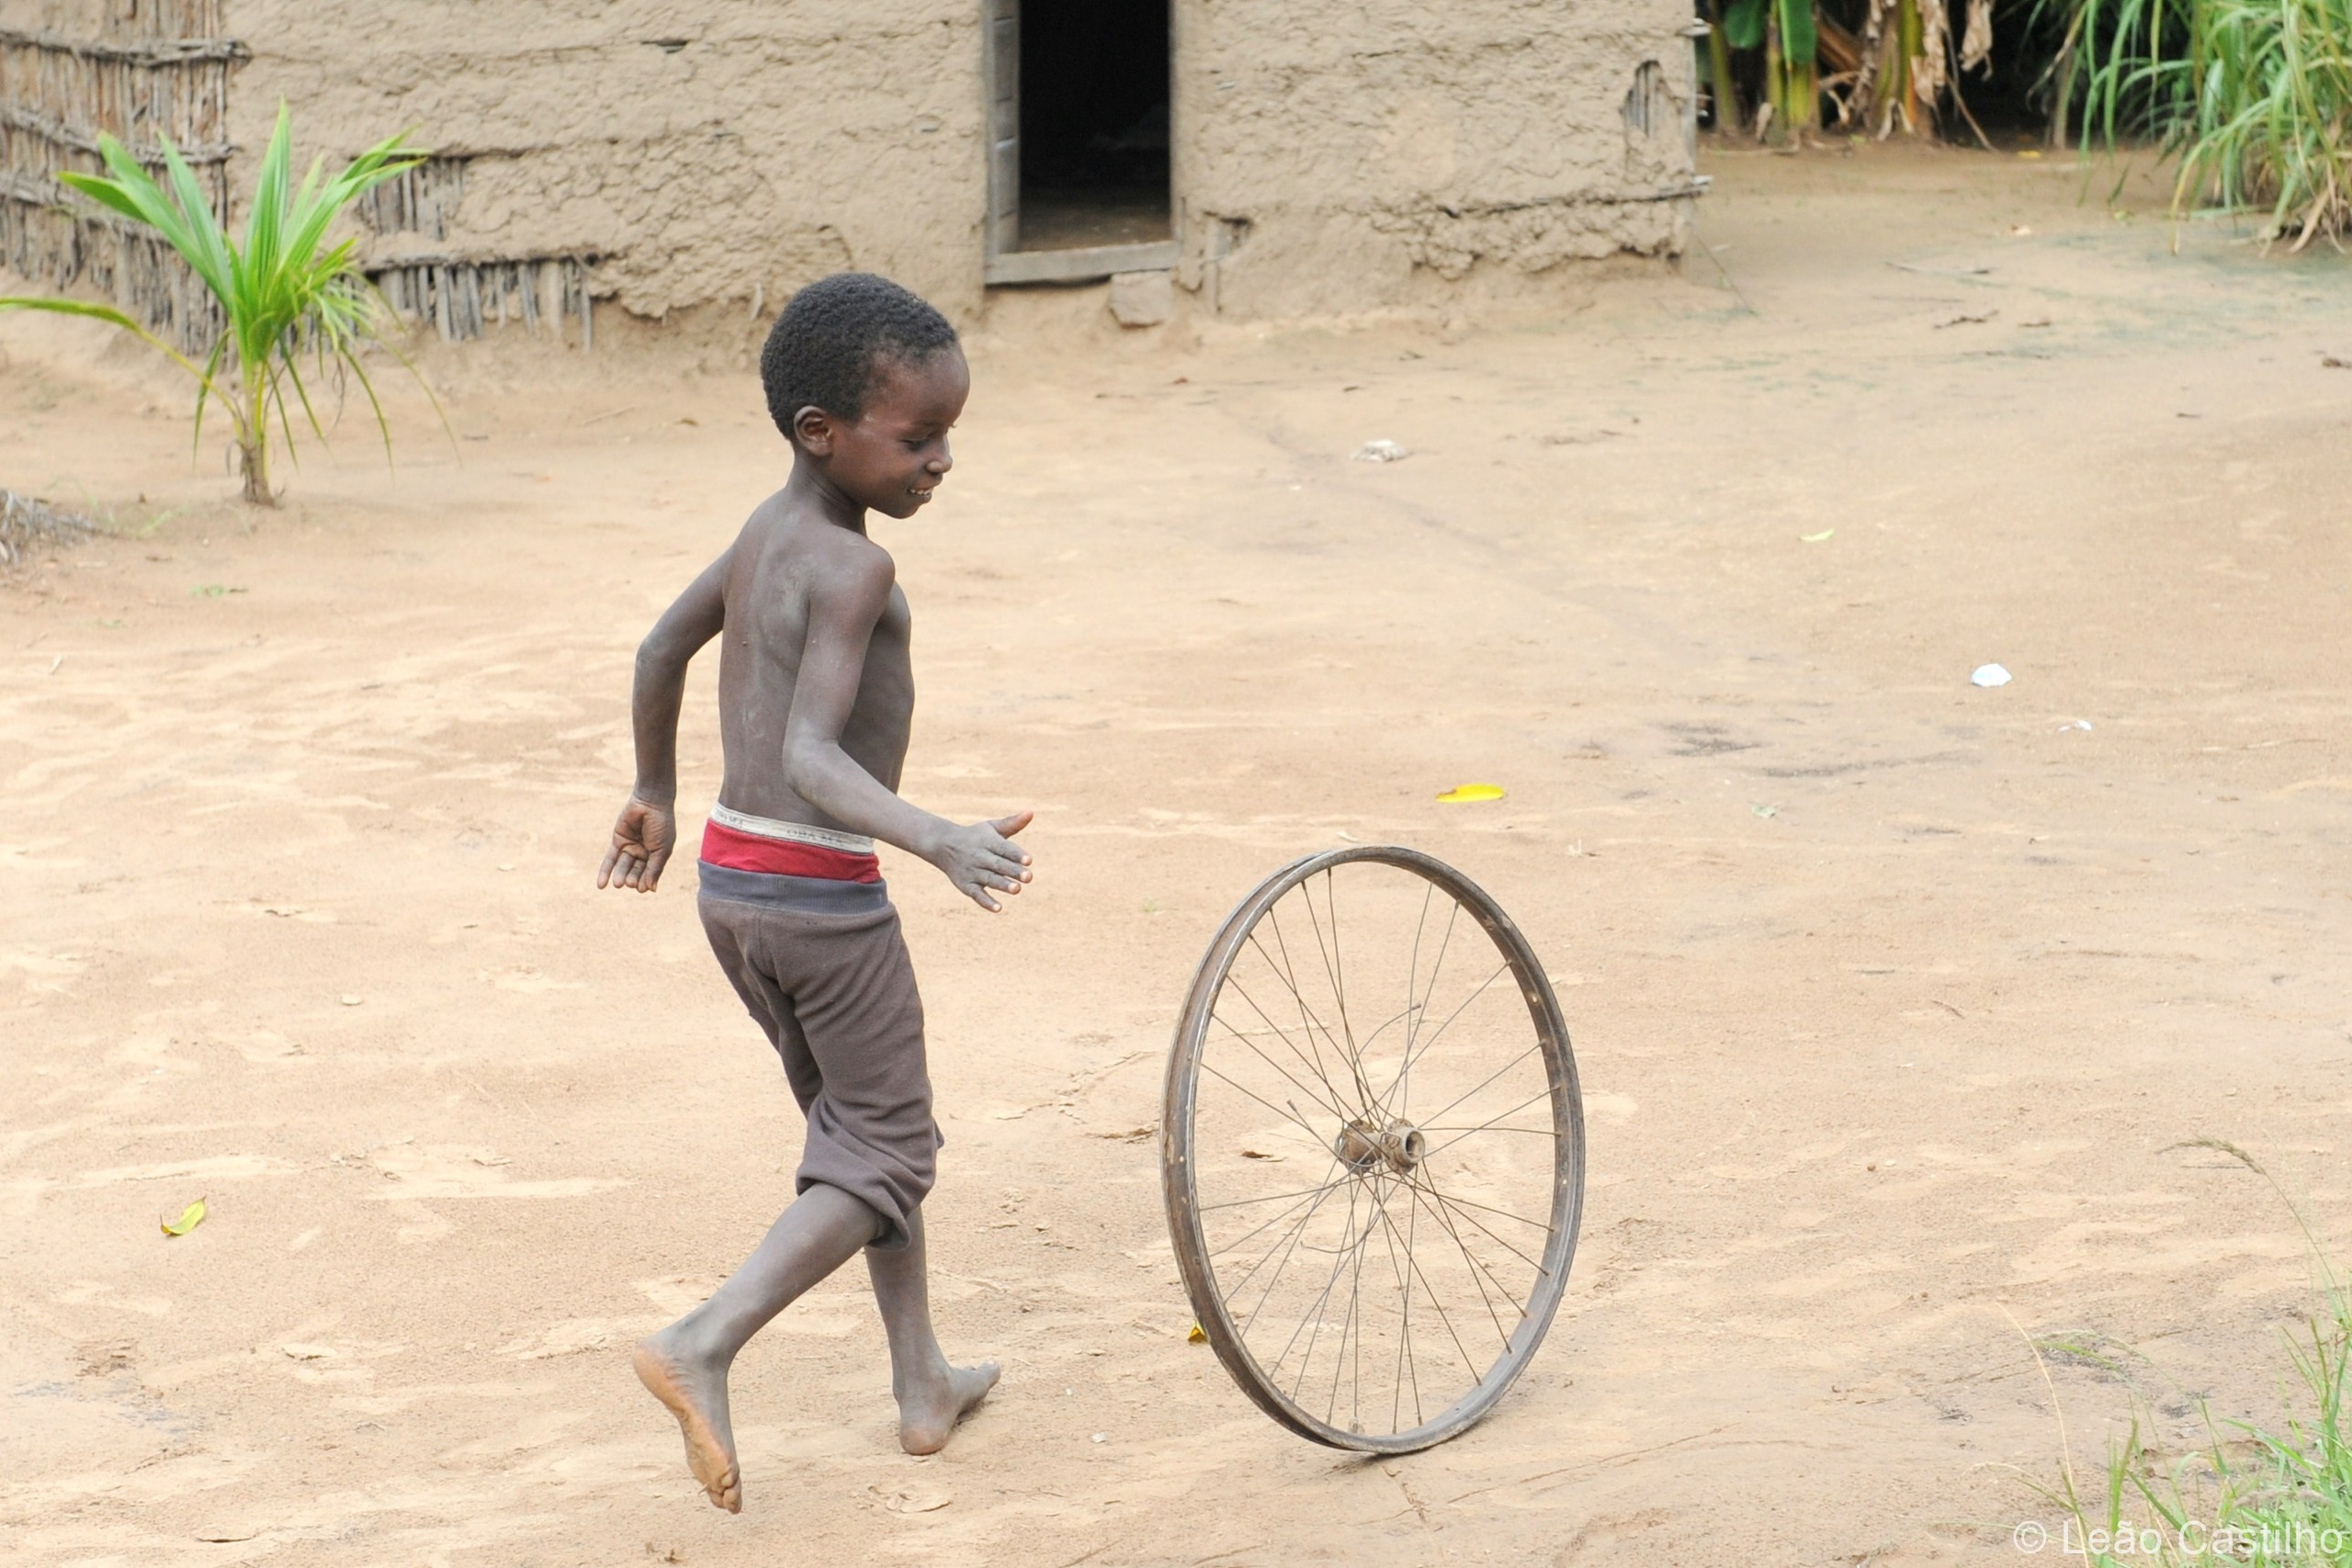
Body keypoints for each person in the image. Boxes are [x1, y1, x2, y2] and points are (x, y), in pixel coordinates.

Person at [597, 272, 1032, 1514]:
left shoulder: (760, 531)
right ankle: (705, 1341)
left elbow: (658, 647)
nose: (941, 460)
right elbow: (810, 757)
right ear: (821, 435)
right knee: (889, 1147)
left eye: (950, 433)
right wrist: (939, 837)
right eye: (919, 437)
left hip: (733, 885)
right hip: (820, 902)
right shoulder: (852, 569)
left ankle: (921, 1382)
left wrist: (653, 788)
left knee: (857, 1137)